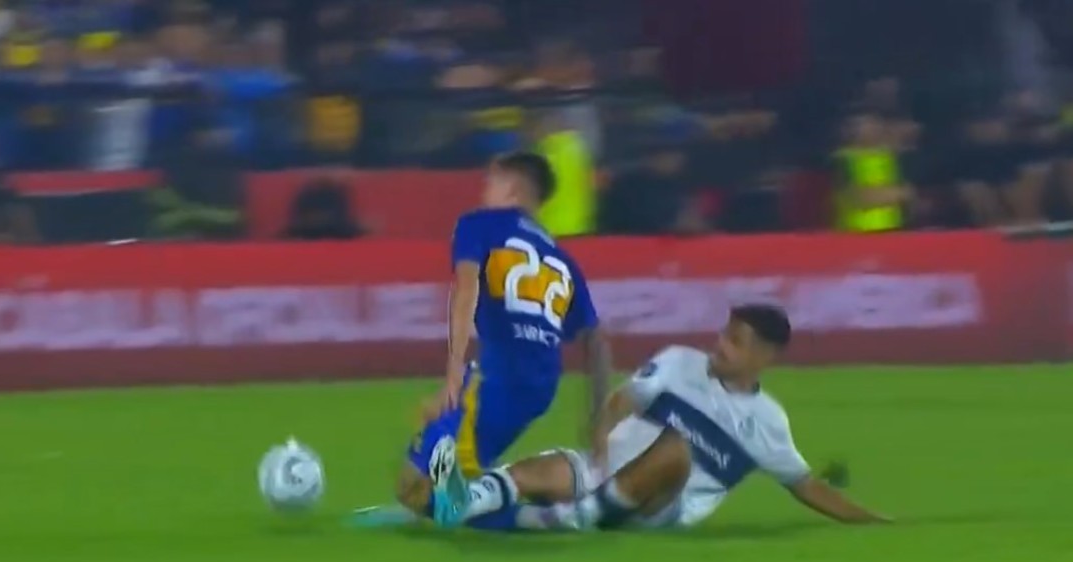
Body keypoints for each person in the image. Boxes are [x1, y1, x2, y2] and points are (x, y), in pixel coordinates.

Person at [457, 304, 891, 531]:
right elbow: (623, 401)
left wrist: (873, 522)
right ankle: (452, 507)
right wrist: (602, 437)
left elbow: (807, 486)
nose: (720, 345)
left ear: (763, 356)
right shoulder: (679, 362)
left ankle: (573, 516)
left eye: (735, 341)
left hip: (659, 509)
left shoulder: (767, 421)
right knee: (534, 472)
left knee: (675, 449)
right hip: (606, 473)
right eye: (724, 334)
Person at [353, 152, 612, 528]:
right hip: (539, 384)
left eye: (491, 182)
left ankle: (546, 516)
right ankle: (526, 494)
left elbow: (466, 289)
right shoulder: (562, 259)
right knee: (450, 480)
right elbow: (597, 341)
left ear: (513, 189)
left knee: (416, 489)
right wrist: (597, 423)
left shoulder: (479, 225)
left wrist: (453, 373)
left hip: (497, 377)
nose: (484, 191)